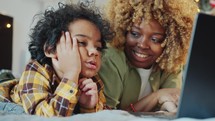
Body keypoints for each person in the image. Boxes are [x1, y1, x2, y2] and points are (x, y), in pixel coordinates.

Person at [0, 2, 113, 117]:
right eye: (82, 43)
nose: (94, 52)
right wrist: (71, 73)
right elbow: (45, 117)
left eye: (98, 47)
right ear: (51, 49)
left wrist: (88, 107)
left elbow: (102, 116)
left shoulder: (94, 82)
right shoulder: (36, 71)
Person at [98, 0, 199, 113]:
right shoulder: (112, 59)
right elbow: (104, 116)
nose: (142, 44)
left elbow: (171, 101)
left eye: (155, 39)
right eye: (135, 34)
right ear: (124, 30)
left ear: (171, 43)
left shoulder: (170, 63)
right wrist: (156, 97)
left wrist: (168, 105)